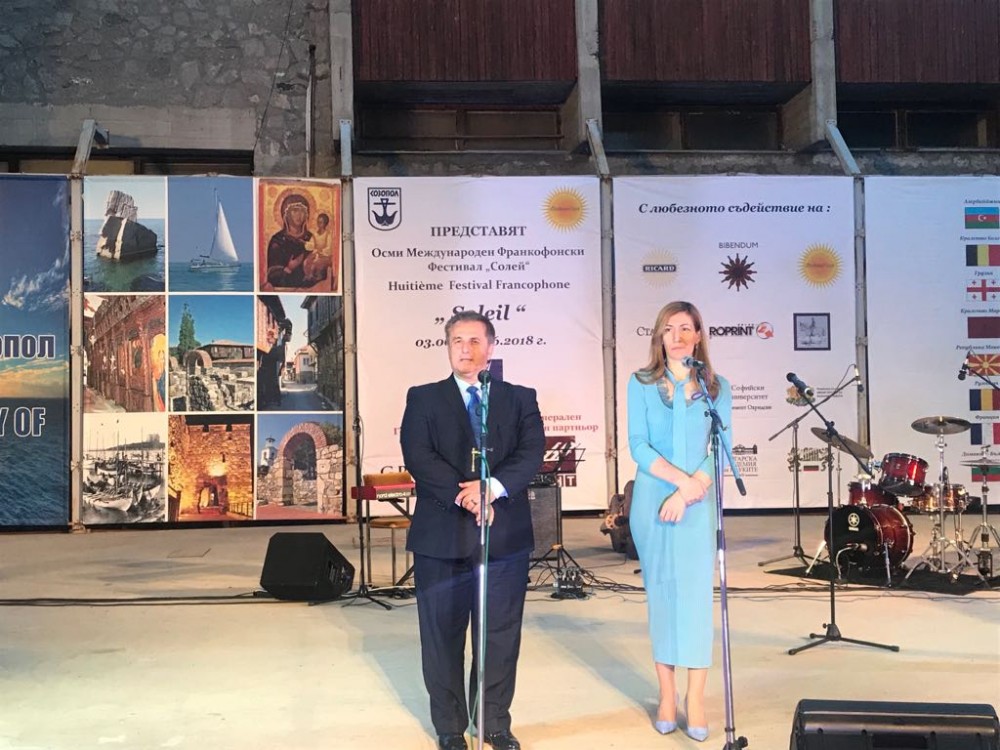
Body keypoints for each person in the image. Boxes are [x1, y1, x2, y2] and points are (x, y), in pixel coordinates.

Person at [400, 310, 545, 750]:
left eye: (475, 341)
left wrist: (492, 488)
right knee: (442, 636)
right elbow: (418, 454)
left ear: (491, 347)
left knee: (499, 634)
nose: (465, 349)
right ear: (448, 347)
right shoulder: (423, 398)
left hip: (504, 537)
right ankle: (449, 726)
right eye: (457, 341)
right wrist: (466, 495)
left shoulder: (519, 398)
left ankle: (493, 722)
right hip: (441, 536)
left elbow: (531, 451)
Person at [627, 300, 732, 742]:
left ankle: (696, 697)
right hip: (654, 500)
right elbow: (638, 444)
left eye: (686, 328)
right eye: (669, 328)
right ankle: (667, 694)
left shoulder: (716, 387)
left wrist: (692, 489)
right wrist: (679, 484)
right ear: (659, 336)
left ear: (698, 335)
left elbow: (721, 448)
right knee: (664, 597)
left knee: (695, 599)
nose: (677, 336)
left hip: (697, 503)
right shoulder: (641, 383)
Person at [265, 193, 313, 289]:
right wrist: (289, 268)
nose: (299, 215)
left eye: (302, 211)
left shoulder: (311, 238)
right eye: (295, 211)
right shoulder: (278, 240)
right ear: (286, 214)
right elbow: (271, 274)